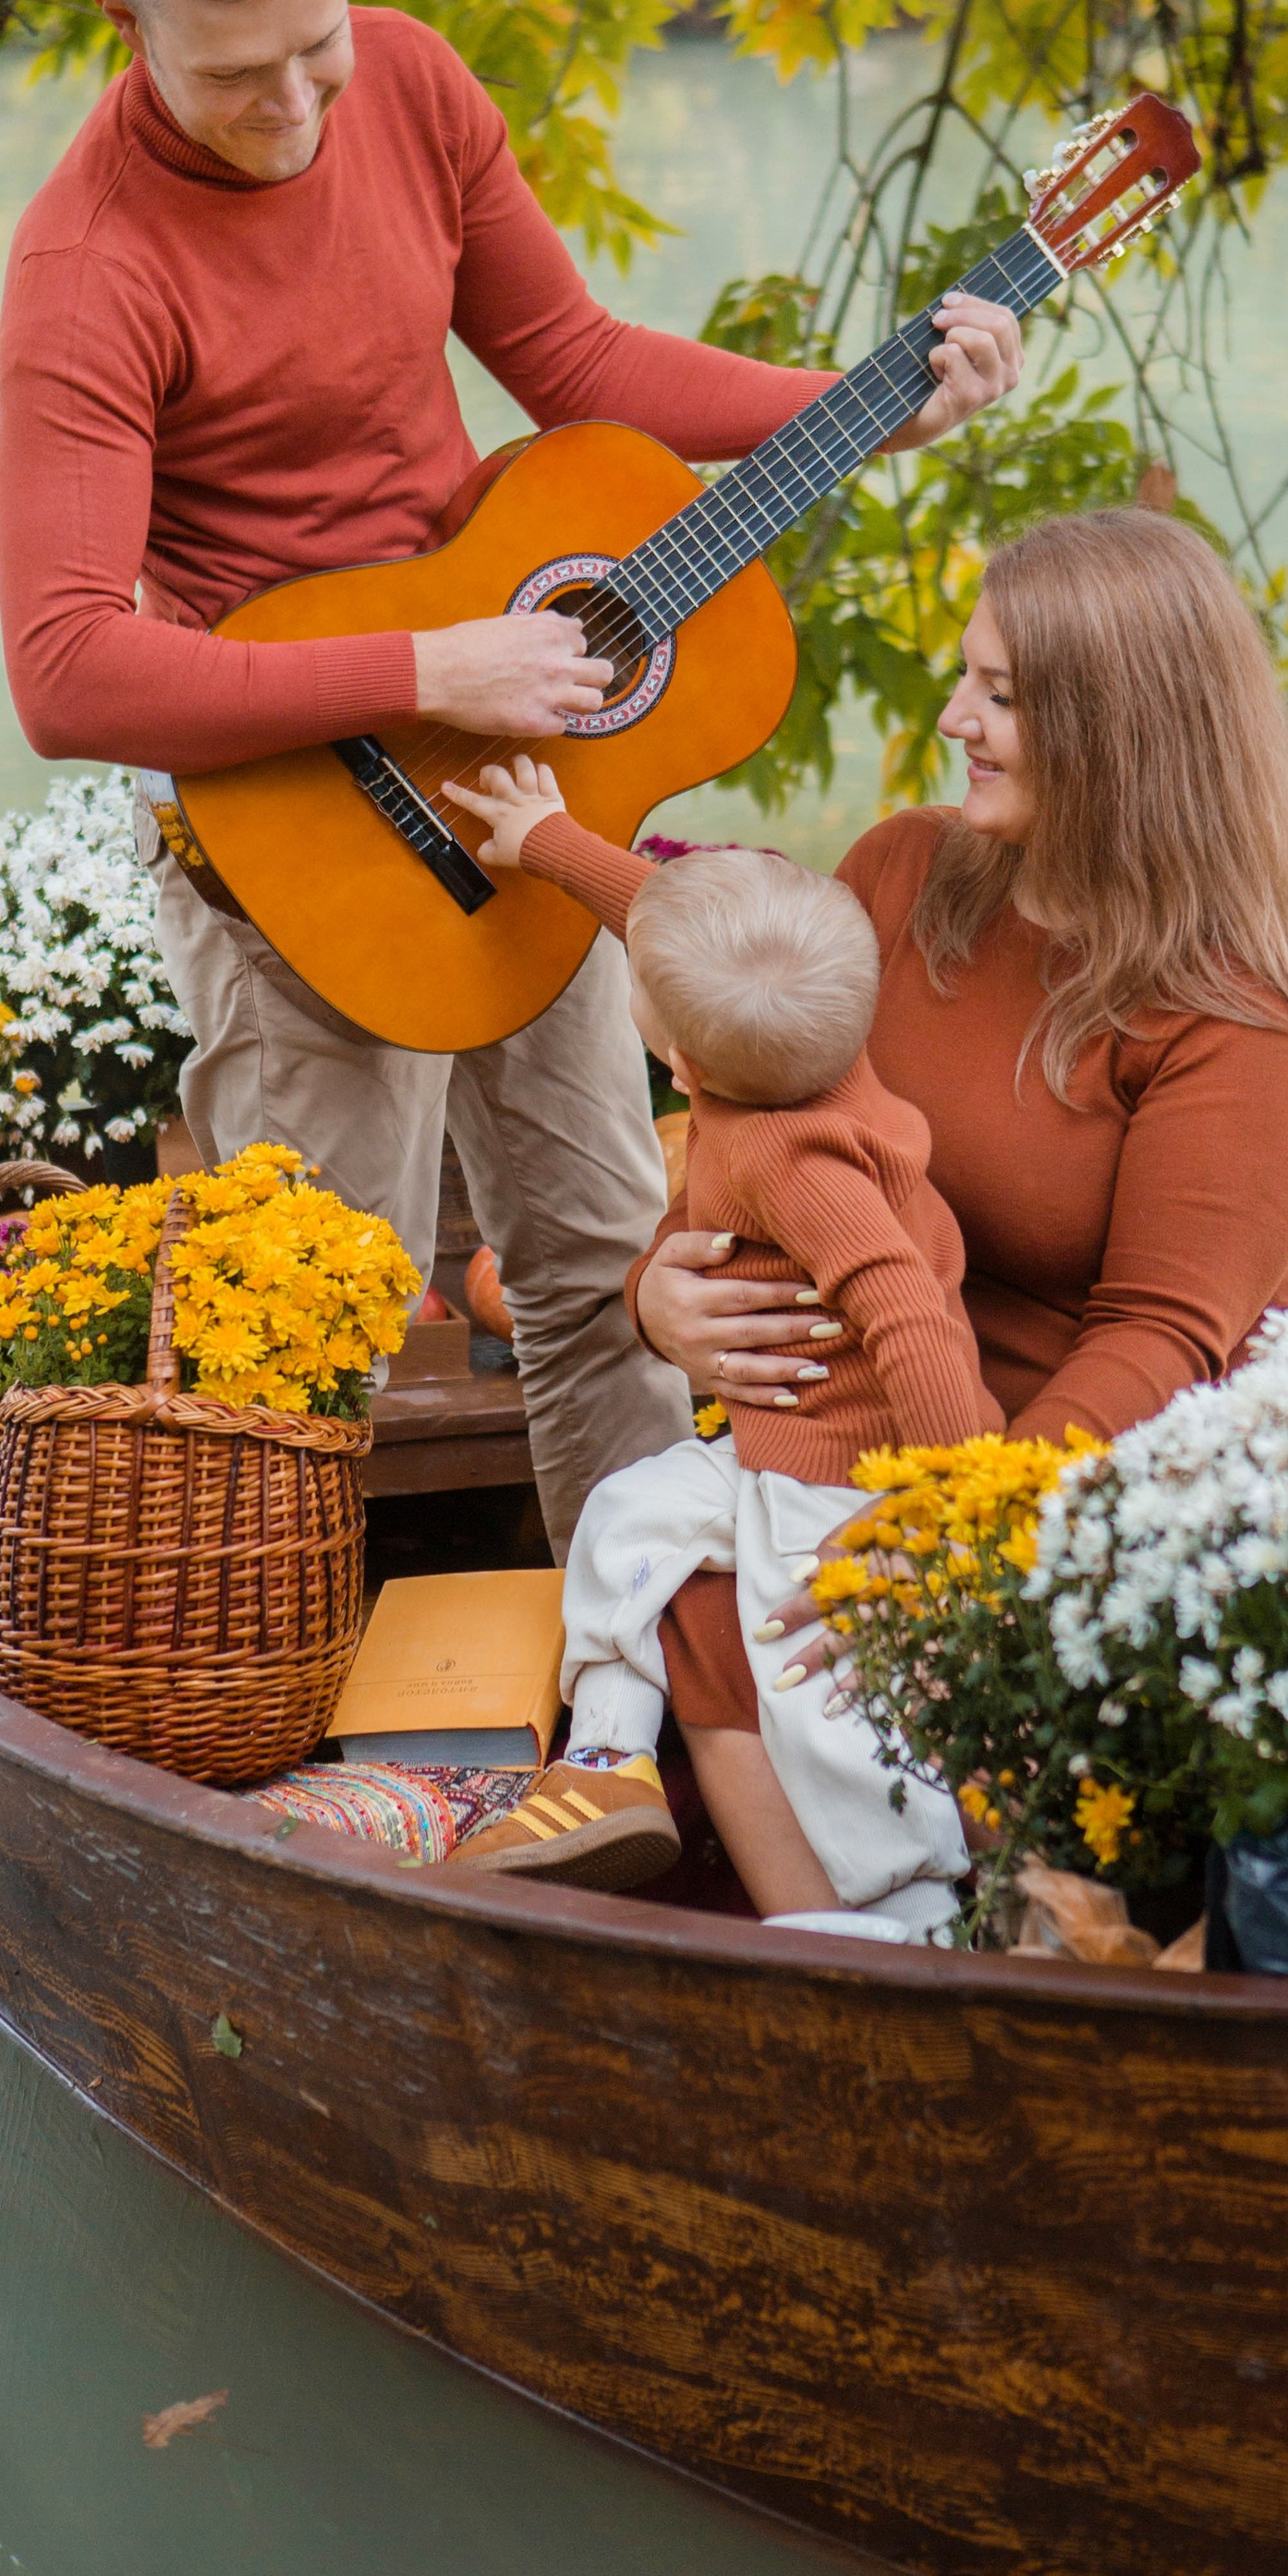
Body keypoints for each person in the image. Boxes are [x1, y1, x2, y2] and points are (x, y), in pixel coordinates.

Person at [0, 0, 1022, 1548]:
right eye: (238, 76)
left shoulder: (410, 82)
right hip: (312, 854)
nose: (302, 109)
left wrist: (862, 408)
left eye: (318, 43)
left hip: (526, 806)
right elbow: (66, 671)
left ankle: (628, 1689)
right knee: (303, 1339)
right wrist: (427, 668)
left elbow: (572, 354)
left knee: (607, 1268)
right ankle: (276, 1767)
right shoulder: (87, 265)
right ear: (127, 27)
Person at [618, 508, 1288, 1911]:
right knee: (696, 1588)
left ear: (1120, 725)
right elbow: (759, 1110)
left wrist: (953, 1534)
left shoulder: (1241, 1015)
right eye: (969, 676)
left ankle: (990, 1944)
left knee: (875, 1641)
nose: (956, 715)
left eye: (1003, 696)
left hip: (1099, 1460)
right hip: (878, 1417)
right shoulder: (902, 873)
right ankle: (825, 1967)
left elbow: (1161, 1337)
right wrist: (668, 1291)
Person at [436, 796, 992, 1927]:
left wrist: (953, 1506)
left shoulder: (795, 1164)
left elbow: (911, 1321)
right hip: (761, 1439)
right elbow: (668, 919)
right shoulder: (821, 1035)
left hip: (841, 1474)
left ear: (680, 1068)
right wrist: (544, 837)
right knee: (627, 1512)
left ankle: (907, 1900)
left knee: (817, 1690)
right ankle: (604, 1761)